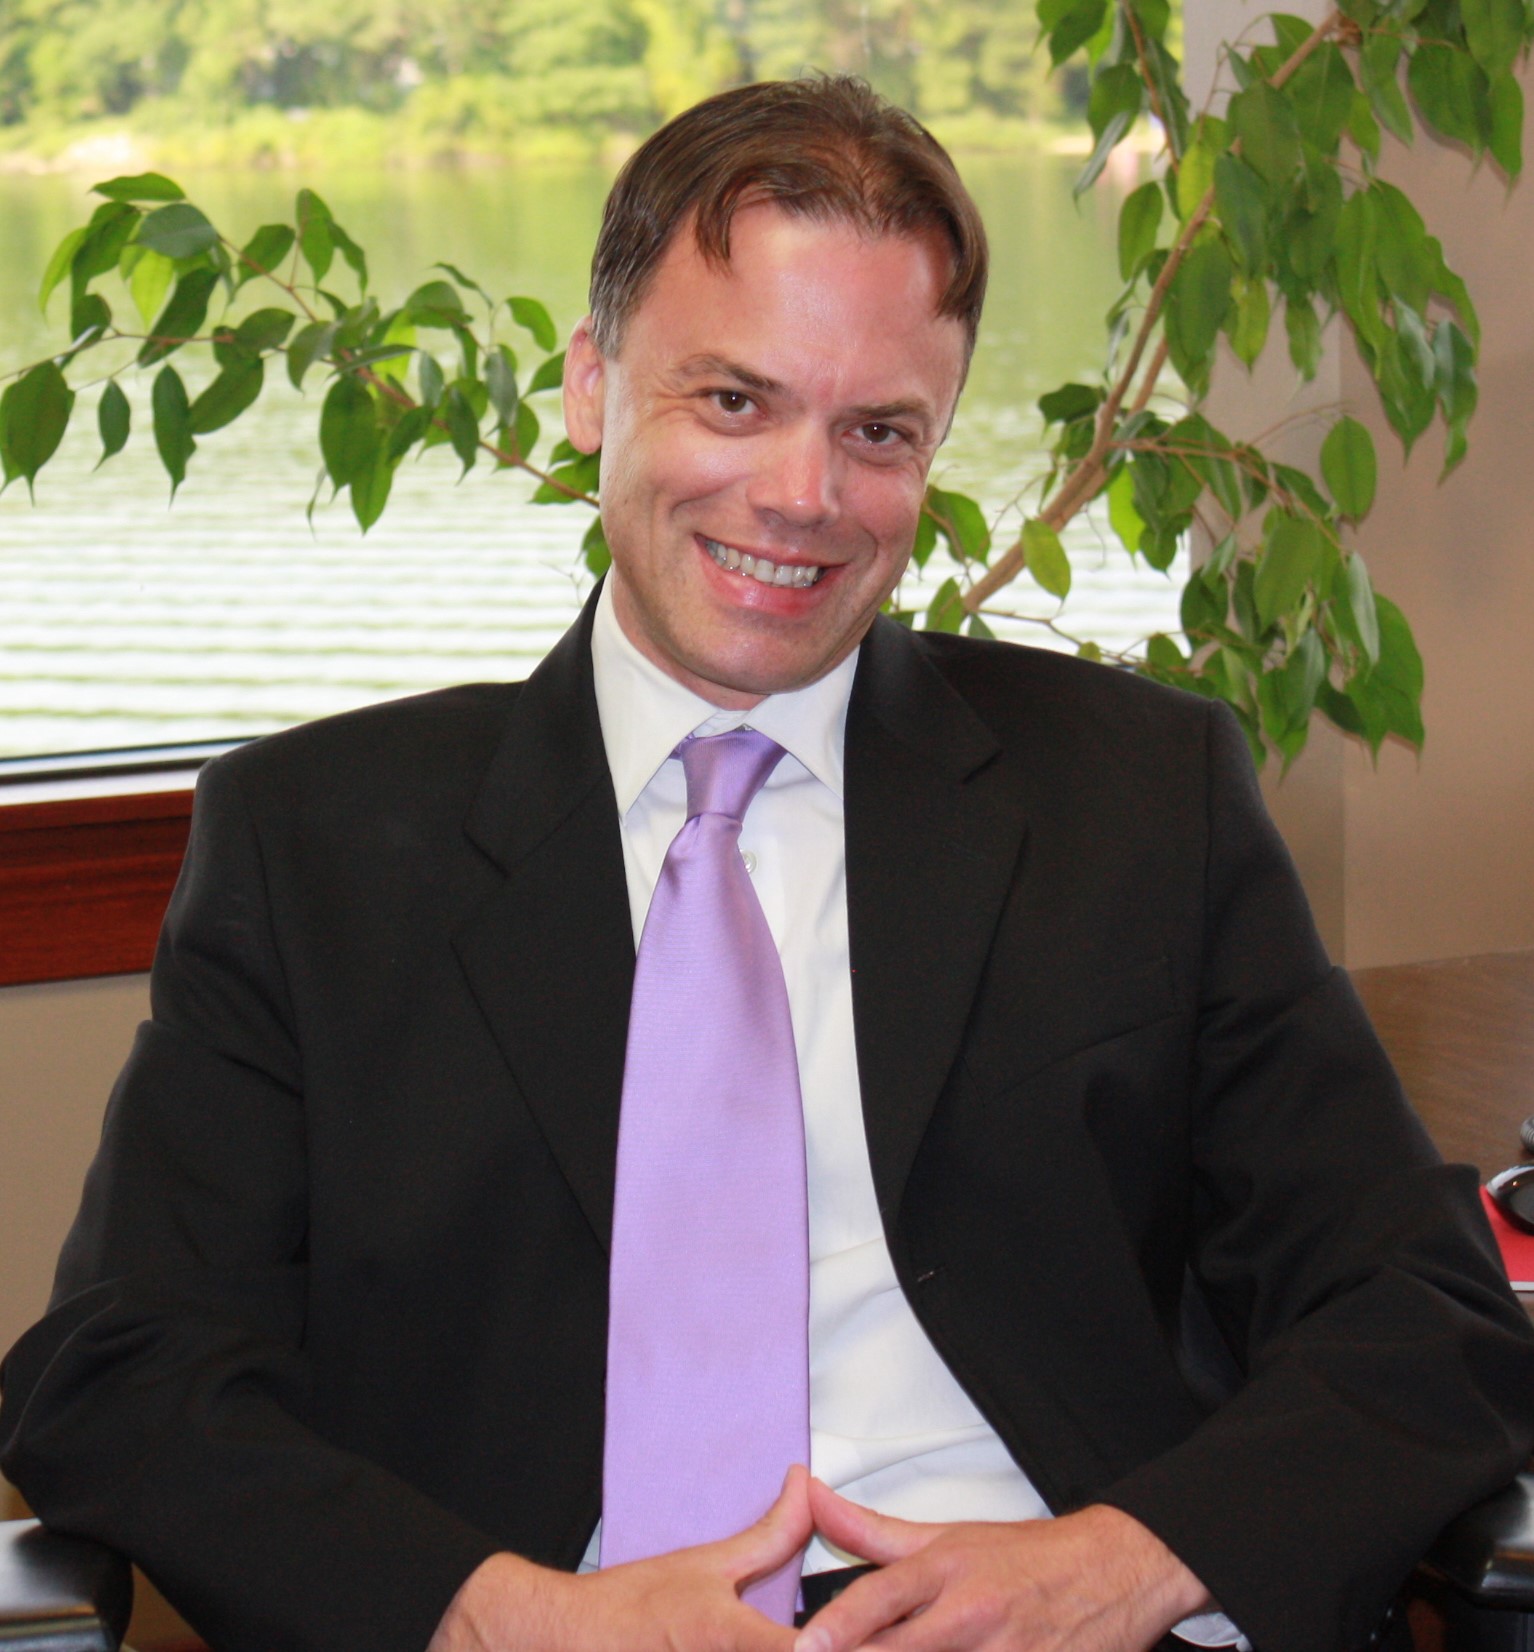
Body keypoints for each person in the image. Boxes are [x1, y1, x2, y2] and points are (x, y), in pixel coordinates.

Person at [2, 75, 1531, 1652]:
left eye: (876, 432)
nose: (803, 497)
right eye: (733, 401)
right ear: (593, 388)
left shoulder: (1140, 797)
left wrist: (1123, 1562)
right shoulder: (312, 842)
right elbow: (120, 1373)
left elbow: (1423, 1315)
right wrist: (490, 1616)